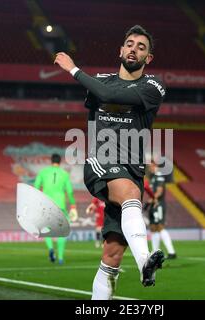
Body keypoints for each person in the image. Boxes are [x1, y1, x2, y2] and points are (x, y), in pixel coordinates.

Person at [54, 24, 166, 300]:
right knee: (130, 194)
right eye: (130, 44)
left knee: (112, 255)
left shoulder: (154, 86)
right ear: (121, 49)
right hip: (101, 162)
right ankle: (145, 263)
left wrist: (74, 70)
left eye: (141, 47)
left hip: (132, 170)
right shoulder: (102, 79)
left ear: (148, 58)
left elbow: (110, 97)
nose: (134, 49)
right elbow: (97, 104)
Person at [34, 153, 78, 265]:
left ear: (51, 161)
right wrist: (73, 204)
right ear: (60, 161)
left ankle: (50, 249)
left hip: (46, 204)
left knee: (46, 229)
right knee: (62, 232)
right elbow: (69, 191)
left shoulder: (43, 172)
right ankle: (61, 258)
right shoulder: (64, 174)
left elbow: (36, 187)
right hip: (60, 205)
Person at [147, 160, 177, 259]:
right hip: (153, 204)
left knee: (159, 227)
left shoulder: (159, 176)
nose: (150, 168)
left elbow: (159, 191)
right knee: (153, 227)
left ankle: (172, 252)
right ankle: (155, 253)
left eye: (151, 166)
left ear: (155, 166)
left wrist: (152, 199)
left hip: (158, 204)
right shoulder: (153, 178)